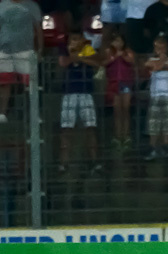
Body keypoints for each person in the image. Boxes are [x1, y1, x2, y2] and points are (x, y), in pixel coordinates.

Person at [0, 0, 42, 124]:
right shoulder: (1, 7)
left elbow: (38, 29)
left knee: (31, 83)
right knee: (3, 83)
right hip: (5, 50)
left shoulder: (32, 6)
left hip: (26, 50)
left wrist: (40, 50)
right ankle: (2, 113)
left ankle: (34, 113)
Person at [57, 31, 101, 173]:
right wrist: (73, 56)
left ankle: (94, 161)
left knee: (90, 128)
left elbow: (96, 63)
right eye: (73, 39)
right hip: (69, 94)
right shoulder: (64, 49)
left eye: (78, 39)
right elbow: (62, 62)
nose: (75, 41)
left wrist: (80, 57)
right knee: (66, 129)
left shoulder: (87, 48)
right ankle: (64, 163)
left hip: (86, 93)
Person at [144, 34, 168, 160]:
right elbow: (151, 67)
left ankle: (166, 146)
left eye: (162, 47)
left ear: (167, 47)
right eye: (157, 47)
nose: (160, 50)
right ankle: (153, 147)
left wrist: (161, 64)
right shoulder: (150, 60)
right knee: (153, 121)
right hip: (155, 95)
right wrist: (163, 62)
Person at [104, 32, 136, 148]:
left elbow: (131, 61)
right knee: (117, 111)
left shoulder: (128, 51)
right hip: (113, 83)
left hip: (126, 83)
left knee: (125, 110)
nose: (118, 43)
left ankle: (126, 135)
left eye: (120, 41)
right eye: (116, 41)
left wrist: (122, 56)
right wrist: (114, 57)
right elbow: (104, 63)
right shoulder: (109, 52)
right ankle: (117, 136)